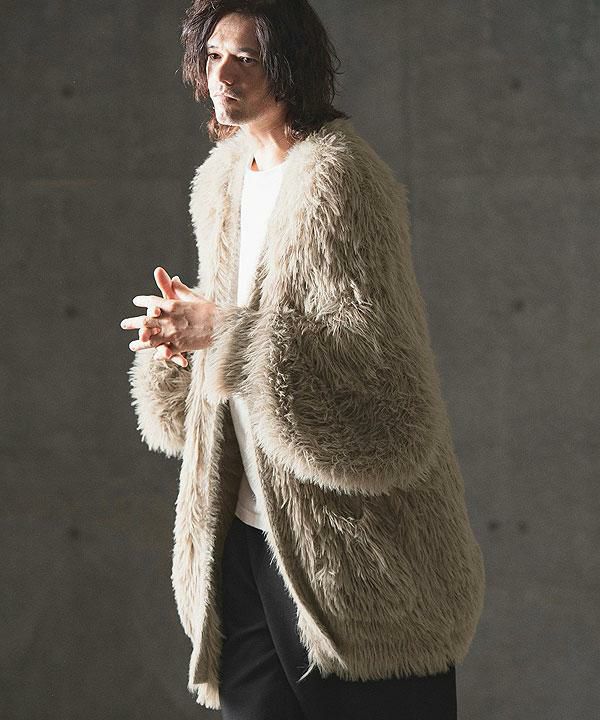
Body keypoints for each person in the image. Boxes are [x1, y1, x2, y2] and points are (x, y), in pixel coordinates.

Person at [120, 1, 486, 718]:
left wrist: (227, 332)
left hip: (353, 558)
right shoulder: (224, 179)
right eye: (213, 55)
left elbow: (389, 407)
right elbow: (235, 361)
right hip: (244, 542)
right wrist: (184, 345)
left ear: (288, 66)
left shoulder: (341, 180)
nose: (223, 76)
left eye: (246, 58)